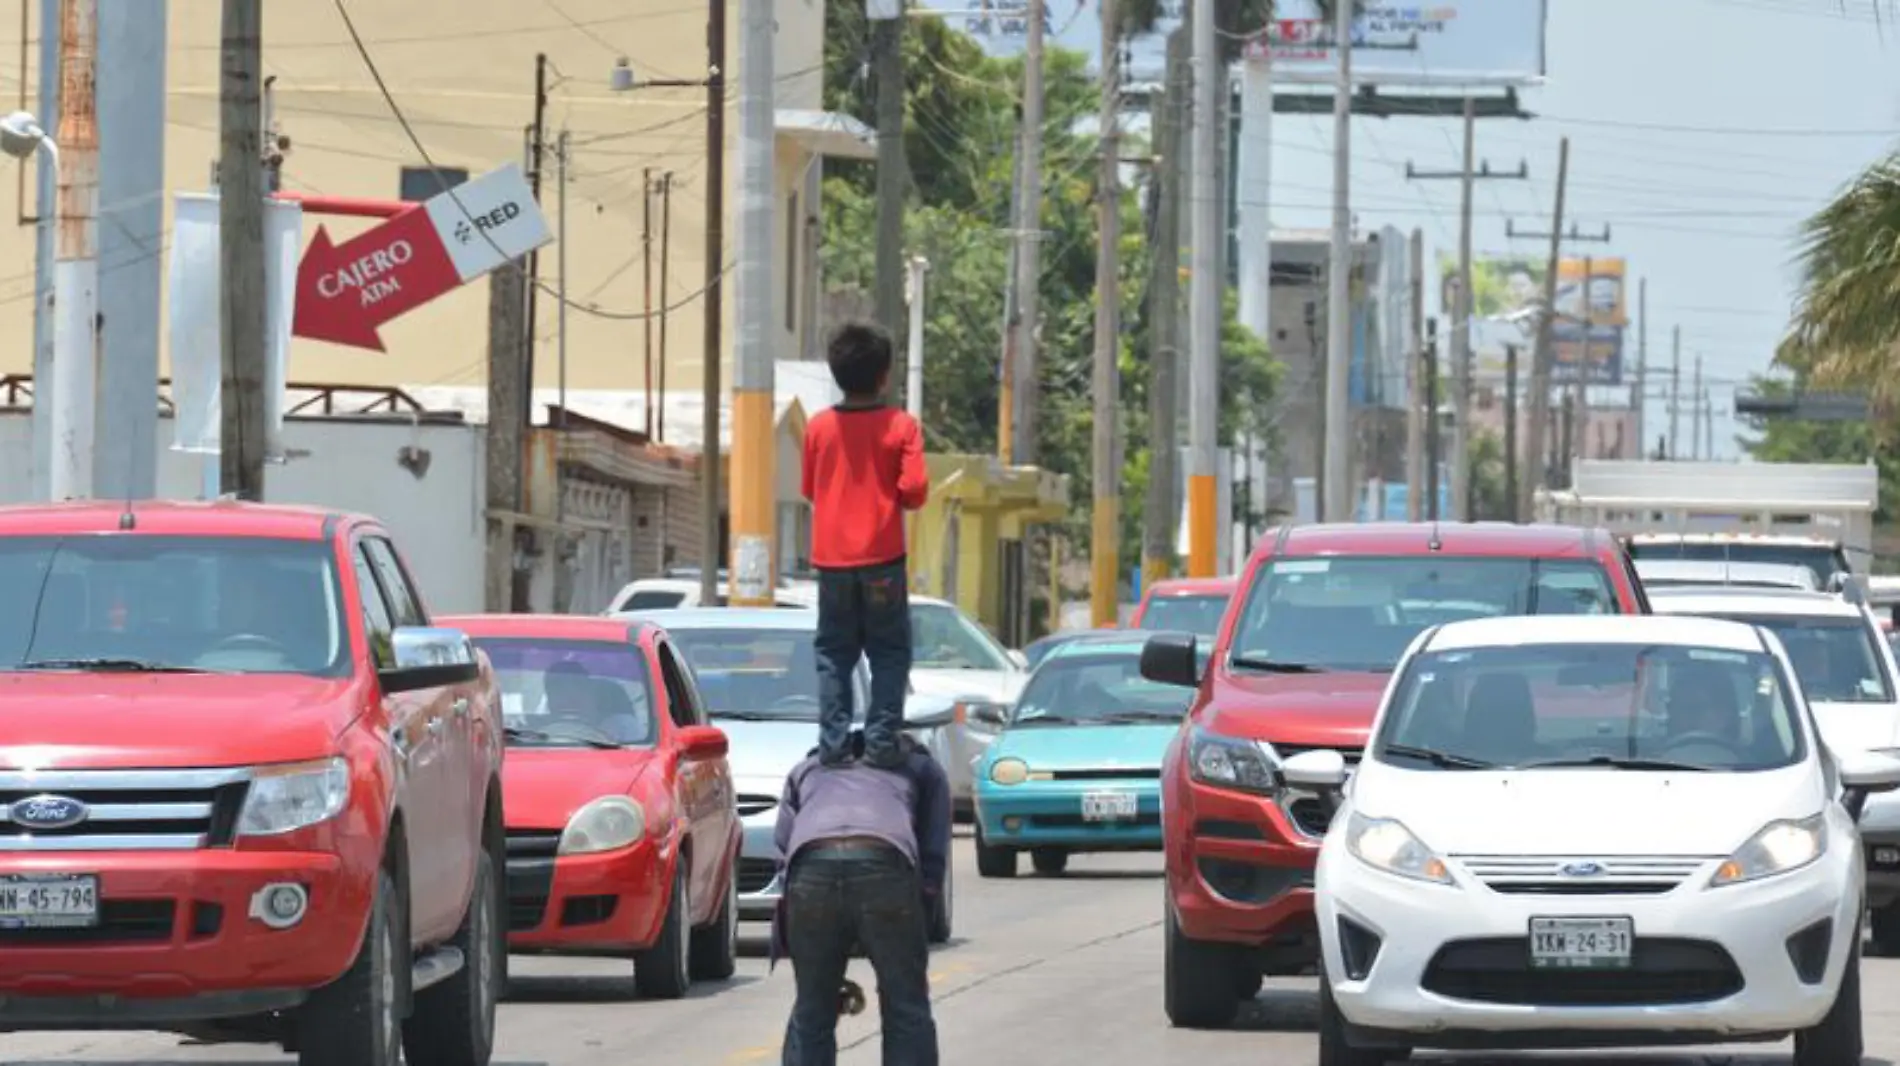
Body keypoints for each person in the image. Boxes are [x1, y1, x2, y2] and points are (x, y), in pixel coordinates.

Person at [772, 728, 950, 1066]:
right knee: (905, 1006)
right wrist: (914, 929)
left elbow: (783, 856)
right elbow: (932, 861)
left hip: (811, 869)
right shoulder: (922, 769)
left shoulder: (807, 769)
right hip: (885, 865)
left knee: (813, 1008)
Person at [801, 322, 929, 769]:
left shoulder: (818, 428)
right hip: (883, 562)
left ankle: (833, 747)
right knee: (889, 652)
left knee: (835, 654)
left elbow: (810, 489)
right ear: (885, 375)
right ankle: (880, 744)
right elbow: (915, 490)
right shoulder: (901, 426)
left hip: (831, 562)